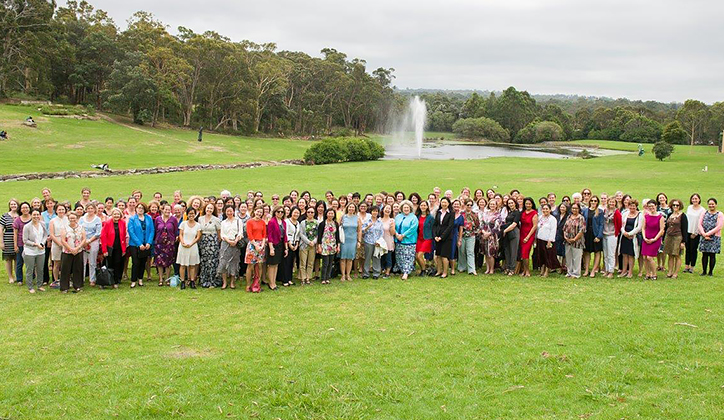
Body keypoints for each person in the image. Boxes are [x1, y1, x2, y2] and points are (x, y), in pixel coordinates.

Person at [127, 202, 155, 288]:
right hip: (134, 245)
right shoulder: (132, 219)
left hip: (146, 243)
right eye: (139, 208)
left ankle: (140, 279)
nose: (140, 209)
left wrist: (149, 242)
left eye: (142, 208)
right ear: (136, 209)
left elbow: (152, 230)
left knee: (143, 262)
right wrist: (139, 244)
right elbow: (131, 232)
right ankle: (133, 280)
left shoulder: (148, 218)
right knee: (136, 262)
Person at [60, 212, 87, 293]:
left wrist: (78, 248)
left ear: (77, 218)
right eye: (71, 218)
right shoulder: (64, 228)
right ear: (68, 219)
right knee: (65, 269)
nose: (72, 220)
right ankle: (64, 287)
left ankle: (78, 286)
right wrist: (70, 249)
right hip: (67, 251)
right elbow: (63, 240)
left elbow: (84, 239)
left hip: (78, 251)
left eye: (74, 218)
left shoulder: (81, 227)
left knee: (78, 269)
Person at [22, 209, 48, 293]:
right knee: (30, 269)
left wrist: (42, 243)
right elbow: (25, 240)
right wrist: (35, 244)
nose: (36, 216)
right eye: (34, 215)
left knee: (40, 269)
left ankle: (39, 285)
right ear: (31, 215)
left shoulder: (42, 224)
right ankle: (30, 287)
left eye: (37, 214)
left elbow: (45, 235)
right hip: (30, 251)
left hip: (41, 251)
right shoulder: (27, 226)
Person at [101, 208, 127, 288]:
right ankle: (106, 281)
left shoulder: (122, 223)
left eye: (118, 214)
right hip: (109, 247)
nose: (116, 216)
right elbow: (103, 236)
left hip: (119, 247)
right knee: (109, 264)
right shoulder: (107, 223)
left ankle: (116, 281)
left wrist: (124, 249)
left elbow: (123, 236)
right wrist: (104, 250)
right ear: (112, 215)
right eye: (114, 214)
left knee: (117, 264)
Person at [154, 203, 178, 286]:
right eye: (166, 209)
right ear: (162, 210)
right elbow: (155, 230)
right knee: (159, 262)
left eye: (169, 209)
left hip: (169, 243)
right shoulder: (157, 219)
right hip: (159, 243)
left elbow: (175, 231)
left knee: (168, 262)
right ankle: (161, 279)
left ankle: (167, 279)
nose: (167, 211)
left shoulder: (173, 219)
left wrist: (173, 239)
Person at [218, 206, 242, 289]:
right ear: (225, 212)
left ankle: (232, 282)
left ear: (233, 211)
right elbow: (222, 234)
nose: (229, 213)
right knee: (223, 262)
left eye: (230, 211)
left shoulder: (238, 221)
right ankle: (224, 282)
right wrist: (229, 241)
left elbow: (240, 232)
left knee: (234, 263)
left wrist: (235, 240)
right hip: (225, 243)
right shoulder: (223, 222)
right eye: (227, 211)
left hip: (235, 243)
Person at [198, 203, 222, 288]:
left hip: (213, 243)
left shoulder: (216, 219)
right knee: (204, 261)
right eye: (208, 208)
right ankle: (204, 280)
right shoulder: (200, 219)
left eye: (211, 209)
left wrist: (216, 243)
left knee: (212, 261)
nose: (209, 210)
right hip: (203, 242)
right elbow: (199, 231)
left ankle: (213, 281)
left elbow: (219, 233)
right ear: (205, 208)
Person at [394, 200, 419, 280]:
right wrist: (397, 234)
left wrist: (403, 235)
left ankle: (406, 272)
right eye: (404, 207)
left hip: (409, 241)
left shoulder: (413, 217)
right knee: (400, 256)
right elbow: (394, 226)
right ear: (401, 208)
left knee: (408, 257)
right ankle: (402, 270)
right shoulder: (398, 216)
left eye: (407, 207)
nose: (406, 209)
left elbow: (413, 229)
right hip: (398, 240)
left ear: (410, 208)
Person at [177, 208, 202, 289]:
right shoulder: (183, 224)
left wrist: (191, 243)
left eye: (193, 214)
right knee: (183, 265)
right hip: (183, 246)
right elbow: (180, 234)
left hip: (193, 246)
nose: (191, 215)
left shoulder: (198, 225)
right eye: (190, 214)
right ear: (187, 214)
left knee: (192, 265)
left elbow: (198, 237)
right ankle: (183, 281)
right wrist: (183, 242)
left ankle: (192, 281)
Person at [663, 199, 687, 279]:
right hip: (669, 236)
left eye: (677, 205)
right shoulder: (670, 214)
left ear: (680, 206)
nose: (675, 206)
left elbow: (685, 229)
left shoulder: (683, 216)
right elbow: (666, 227)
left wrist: (683, 242)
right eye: (674, 205)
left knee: (677, 255)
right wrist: (663, 238)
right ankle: (670, 271)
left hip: (678, 237)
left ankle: (675, 273)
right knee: (670, 255)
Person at [698, 198, 723, 276]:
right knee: (704, 254)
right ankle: (704, 271)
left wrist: (708, 234)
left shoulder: (720, 214)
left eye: (713, 204)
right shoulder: (704, 212)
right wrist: (703, 234)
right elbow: (699, 224)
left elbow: (719, 226)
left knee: (712, 255)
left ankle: (710, 272)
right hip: (704, 236)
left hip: (714, 237)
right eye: (710, 204)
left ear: (716, 204)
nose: (711, 205)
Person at [79, 204, 102, 286]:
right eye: (88, 208)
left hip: (93, 241)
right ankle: (81, 278)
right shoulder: (82, 219)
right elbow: (79, 230)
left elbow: (98, 233)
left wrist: (89, 241)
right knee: (82, 261)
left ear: (94, 209)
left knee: (92, 261)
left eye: (92, 208)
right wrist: (84, 241)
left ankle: (92, 279)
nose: (90, 210)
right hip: (83, 242)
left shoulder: (97, 219)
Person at [619, 200, 643, 278]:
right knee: (624, 254)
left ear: (636, 207)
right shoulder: (625, 214)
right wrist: (624, 233)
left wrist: (630, 234)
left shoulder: (640, 215)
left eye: (634, 206)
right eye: (631, 206)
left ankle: (630, 272)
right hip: (624, 236)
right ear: (628, 206)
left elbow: (639, 227)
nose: (632, 207)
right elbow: (621, 225)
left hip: (633, 237)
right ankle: (624, 271)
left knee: (631, 255)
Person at [641, 200, 664, 280]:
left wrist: (654, 239)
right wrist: (644, 237)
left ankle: (654, 274)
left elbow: (661, 230)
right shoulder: (646, 216)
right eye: (649, 206)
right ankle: (648, 273)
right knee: (644, 257)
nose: (651, 208)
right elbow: (643, 228)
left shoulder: (660, 217)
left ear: (656, 206)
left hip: (655, 239)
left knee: (650, 257)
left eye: (652, 206)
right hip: (646, 238)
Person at [245, 206, 266, 292]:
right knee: (250, 265)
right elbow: (249, 235)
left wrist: (262, 245)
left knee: (260, 265)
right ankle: (248, 285)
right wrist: (256, 245)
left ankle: (257, 284)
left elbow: (264, 235)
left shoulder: (263, 222)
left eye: (261, 212)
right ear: (254, 211)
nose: (259, 214)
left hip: (261, 244)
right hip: (252, 245)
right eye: (258, 212)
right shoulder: (249, 222)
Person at [266, 205, 287, 290]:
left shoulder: (283, 222)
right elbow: (269, 235)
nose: (280, 213)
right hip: (273, 244)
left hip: (280, 244)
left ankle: (274, 282)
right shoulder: (271, 222)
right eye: (278, 212)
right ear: (275, 212)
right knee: (272, 265)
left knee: (276, 264)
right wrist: (271, 248)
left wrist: (286, 248)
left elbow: (285, 236)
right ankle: (271, 283)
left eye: (282, 212)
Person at [534, 204, 559, 277]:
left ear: (550, 210)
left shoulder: (552, 219)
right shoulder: (540, 217)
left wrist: (550, 240)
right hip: (540, 239)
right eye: (543, 209)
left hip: (548, 240)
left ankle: (546, 272)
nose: (545, 210)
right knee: (541, 256)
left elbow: (553, 230)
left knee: (548, 256)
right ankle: (542, 271)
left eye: (547, 209)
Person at [433, 197, 455, 278]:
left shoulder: (451, 213)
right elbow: (435, 225)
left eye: (445, 202)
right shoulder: (438, 212)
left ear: (448, 203)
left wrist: (441, 237)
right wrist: (435, 236)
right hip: (437, 236)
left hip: (446, 237)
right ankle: (439, 271)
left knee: (444, 256)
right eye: (442, 202)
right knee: (438, 255)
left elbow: (450, 227)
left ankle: (445, 272)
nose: (444, 204)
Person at [563, 203, 586, 279]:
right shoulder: (569, 217)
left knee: (576, 258)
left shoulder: (581, 218)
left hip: (577, 242)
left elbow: (582, 230)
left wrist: (574, 239)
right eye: (573, 208)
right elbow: (565, 228)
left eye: (576, 208)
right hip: (567, 241)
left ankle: (576, 273)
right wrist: (565, 237)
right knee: (568, 257)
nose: (574, 210)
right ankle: (569, 272)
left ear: (579, 209)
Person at [317, 208, 340, 284]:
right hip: (324, 245)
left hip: (332, 245)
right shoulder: (322, 223)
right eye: (329, 213)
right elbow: (319, 236)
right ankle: (323, 278)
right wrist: (319, 246)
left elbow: (337, 236)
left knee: (330, 262)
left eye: (332, 213)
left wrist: (338, 246)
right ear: (326, 214)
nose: (330, 215)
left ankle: (328, 278)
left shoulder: (336, 224)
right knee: (325, 263)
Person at [582, 196, 604, 277]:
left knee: (597, 252)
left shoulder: (600, 212)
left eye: (595, 201)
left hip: (596, 234)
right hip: (587, 234)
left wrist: (599, 236)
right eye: (592, 200)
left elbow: (602, 224)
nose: (593, 202)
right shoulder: (585, 210)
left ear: (597, 202)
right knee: (587, 252)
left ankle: (594, 270)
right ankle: (587, 270)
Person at [457, 199, 479, 275]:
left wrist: (475, 232)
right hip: (461, 235)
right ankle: (462, 267)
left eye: (470, 205)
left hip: (471, 235)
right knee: (462, 251)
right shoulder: (461, 214)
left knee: (470, 252)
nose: (469, 206)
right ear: (465, 205)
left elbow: (477, 225)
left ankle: (472, 269)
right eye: (468, 205)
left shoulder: (475, 214)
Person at [480, 199, 502, 275]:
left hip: (492, 236)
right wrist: (483, 232)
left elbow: (497, 227)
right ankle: (487, 268)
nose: (492, 206)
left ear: (496, 205)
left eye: (494, 204)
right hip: (484, 235)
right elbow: (481, 223)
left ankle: (492, 269)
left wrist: (489, 233)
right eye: (491, 204)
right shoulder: (485, 213)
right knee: (486, 252)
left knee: (491, 253)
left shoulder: (498, 215)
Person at [601, 197, 622, 278]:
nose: (611, 203)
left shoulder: (616, 212)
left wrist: (616, 232)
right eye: (610, 202)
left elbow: (619, 224)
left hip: (612, 234)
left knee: (611, 254)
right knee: (605, 253)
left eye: (613, 202)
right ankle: (606, 269)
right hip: (605, 233)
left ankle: (611, 271)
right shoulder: (605, 211)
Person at [684, 193, 705, 273]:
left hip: (695, 233)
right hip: (688, 231)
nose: (694, 200)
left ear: (699, 200)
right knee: (687, 249)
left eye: (696, 199)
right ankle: (686, 266)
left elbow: (701, 222)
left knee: (693, 249)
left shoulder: (702, 210)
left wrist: (696, 232)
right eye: (693, 199)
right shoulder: (689, 208)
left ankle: (692, 266)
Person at [361, 206, 383, 279]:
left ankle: (376, 273)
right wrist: (367, 227)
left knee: (376, 257)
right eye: (373, 211)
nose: (375, 213)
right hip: (368, 241)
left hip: (377, 242)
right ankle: (366, 273)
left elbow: (381, 233)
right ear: (371, 212)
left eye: (376, 211)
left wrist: (379, 241)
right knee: (367, 257)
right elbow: (362, 231)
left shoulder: (380, 222)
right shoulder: (367, 221)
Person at [13, 202, 32, 285]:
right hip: (21, 244)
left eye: (27, 207)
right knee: (19, 262)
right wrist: (15, 245)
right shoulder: (17, 220)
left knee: (31, 262)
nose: (25, 209)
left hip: (31, 244)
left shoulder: (33, 218)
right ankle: (19, 279)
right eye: (23, 208)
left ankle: (31, 277)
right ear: (20, 210)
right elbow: (15, 233)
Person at [518, 197, 538, 277]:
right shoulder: (523, 212)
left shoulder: (534, 213)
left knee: (525, 253)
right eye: (526, 204)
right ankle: (524, 270)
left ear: (532, 204)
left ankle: (527, 271)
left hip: (529, 234)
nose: (528, 205)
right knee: (522, 254)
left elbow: (535, 226)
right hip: (522, 233)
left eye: (529, 204)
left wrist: (528, 237)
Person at [1, 199, 19, 284]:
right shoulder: (5, 216)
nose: (13, 206)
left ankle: (17, 275)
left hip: (18, 239)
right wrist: (1, 242)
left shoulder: (20, 215)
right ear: (9, 206)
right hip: (7, 239)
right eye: (11, 204)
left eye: (14, 204)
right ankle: (10, 277)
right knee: (8, 259)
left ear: (17, 205)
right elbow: (1, 229)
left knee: (17, 259)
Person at [501, 198, 521, 276]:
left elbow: (514, 224)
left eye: (512, 203)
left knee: (513, 251)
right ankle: (508, 267)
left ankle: (512, 269)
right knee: (507, 250)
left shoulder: (517, 213)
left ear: (515, 203)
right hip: (507, 232)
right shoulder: (510, 212)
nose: (510, 205)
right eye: (509, 203)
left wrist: (505, 231)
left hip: (514, 232)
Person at [339, 203, 359, 282]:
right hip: (344, 240)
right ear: (347, 208)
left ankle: (348, 275)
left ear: (355, 209)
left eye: (353, 207)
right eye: (350, 207)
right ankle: (343, 275)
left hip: (353, 240)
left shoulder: (357, 218)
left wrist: (359, 241)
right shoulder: (343, 217)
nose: (351, 208)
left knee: (350, 258)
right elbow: (339, 227)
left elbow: (359, 230)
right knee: (343, 258)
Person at [298, 208, 318, 285]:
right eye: (308, 212)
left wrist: (313, 242)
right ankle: (303, 278)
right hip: (304, 245)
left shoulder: (317, 222)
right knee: (303, 262)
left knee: (310, 262)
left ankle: (308, 278)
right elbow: (301, 234)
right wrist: (308, 241)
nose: (310, 213)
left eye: (312, 212)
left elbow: (318, 234)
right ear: (306, 213)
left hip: (313, 245)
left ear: (314, 213)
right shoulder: (303, 223)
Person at [282, 207, 301, 286]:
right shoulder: (287, 221)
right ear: (291, 213)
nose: (296, 214)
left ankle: (290, 279)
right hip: (287, 244)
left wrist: (296, 244)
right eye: (295, 212)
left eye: (297, 213)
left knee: (291, 263)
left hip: (294, 245)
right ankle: (285, 280)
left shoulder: (298, 223)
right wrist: (289, 244)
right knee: (286, 263)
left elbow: (297, 235)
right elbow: (285, 234)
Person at [415, 201, 433, 276]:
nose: (423, 207)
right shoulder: (417, 216)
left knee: (420, 255)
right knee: (416, 256)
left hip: (427, 238)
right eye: (421, 205)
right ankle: (424, 268)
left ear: (427, 207)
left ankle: (423, 270)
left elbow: (433, 228)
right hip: (419, 238)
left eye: (424, 205)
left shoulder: (430, 217)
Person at [381, 204, 397, 278]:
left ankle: (387, 272)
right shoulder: (379, 220)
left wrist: (392, 226)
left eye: (389, 209)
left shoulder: (392, 220)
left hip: (388, 240)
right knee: (381, 257)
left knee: (388, 257)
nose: (387, 210)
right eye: (386, 208)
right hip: (381, 241)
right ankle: (382, 269)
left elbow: (392, 233)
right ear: (383, 209)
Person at [555, 203, 570, 274]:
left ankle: (564, 267)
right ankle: (558, 267)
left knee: (564, 253)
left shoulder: (568, 217)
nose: (562, 209)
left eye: (564, 207)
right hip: (557, 236)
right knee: (557, 252)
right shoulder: (556, 216)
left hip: (564, 237)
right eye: (561, 207)